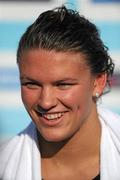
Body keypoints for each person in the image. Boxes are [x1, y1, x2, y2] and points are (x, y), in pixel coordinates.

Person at [0, 5, 120, 180]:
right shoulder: (4, 166)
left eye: (63, 84)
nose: (46, 102)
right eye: (31, 84)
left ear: (98, 82)